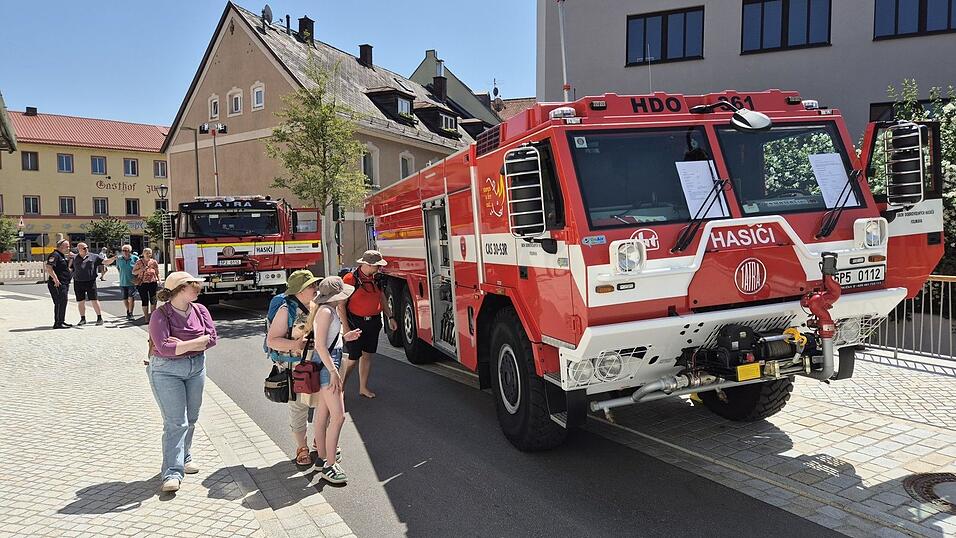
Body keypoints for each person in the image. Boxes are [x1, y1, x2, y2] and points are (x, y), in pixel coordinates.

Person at [147, 271, 218, 493]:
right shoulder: (160, 315)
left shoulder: (201, 310)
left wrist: (182, 344)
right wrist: (197, 342)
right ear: (178, 289)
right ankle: (172, 472)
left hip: (196, 368)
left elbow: (212, 339)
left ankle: (185, 457)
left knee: (192, 418)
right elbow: (164, 348)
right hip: (167, 372)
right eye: (193, 285)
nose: (198, 288)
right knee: (176, 422)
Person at [265, 270, 323, 466]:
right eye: (311, 286)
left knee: (323, 405)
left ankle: (320, 442)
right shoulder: (285, 310)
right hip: (295, 368)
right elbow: (272, 340)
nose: (315, 288)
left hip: (317, 364)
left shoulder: (316, 306)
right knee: (299, 407)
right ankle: (302, 448)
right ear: (299, 290)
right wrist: (296, 345)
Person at [309, 276, 361, 484]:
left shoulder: (326, 310)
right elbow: (320, 346)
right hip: (327, 367)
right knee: (338, 417)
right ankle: (330, 464)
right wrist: (332, 371)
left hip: (327, 365)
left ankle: (323, 458)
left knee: (324, 415)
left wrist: (345, 338)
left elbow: (326, 342)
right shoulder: (326, 312)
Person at [340, 250, 397, 399]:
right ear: (369, 264)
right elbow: (341, 305)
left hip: (373, 322)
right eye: (377, 266)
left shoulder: (376, 278)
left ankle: (363, 387)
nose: (379, 268)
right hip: (355, 323)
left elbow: (382, 298)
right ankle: (339, 388)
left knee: (367, 355)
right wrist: (346, 328)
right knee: (353, 358)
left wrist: (390, 317)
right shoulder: (350, 279)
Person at [70, 242, 116, 326]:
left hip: (90, 281)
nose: (86, 249)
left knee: (94, 300)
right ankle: (82, 319)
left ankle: (99, 318)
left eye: (87, 247)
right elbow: (70, 268)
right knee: (80, 301)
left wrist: (113, 259)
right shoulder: (74, 258)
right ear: (79, 249)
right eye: (84, 248)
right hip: (78, 282)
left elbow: (105, 262)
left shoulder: (94, 256)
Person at [45, 239, 74, 329]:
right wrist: (55, 279)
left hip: (64, 283)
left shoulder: (62, 256)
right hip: (57, 283)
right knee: (59, 302)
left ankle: (61, 321)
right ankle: (57, 323)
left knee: (63, 302)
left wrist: (71, 259)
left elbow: (67, 268)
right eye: (67, 246)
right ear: (61, 246)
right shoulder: (55, 255)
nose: (68, 248)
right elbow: (49, 267)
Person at [133, 248, 161, 323]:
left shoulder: (154, 262)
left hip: (152, 282)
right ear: (143, 254)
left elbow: (157, 272)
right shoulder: (139, 262)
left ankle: (152, 317)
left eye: (150, 253)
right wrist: (141, 269)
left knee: (153, 300)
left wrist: (159, 280)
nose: (148, 254)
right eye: (147, 253)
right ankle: (146, 318)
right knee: (144, 300)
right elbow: (134, 272)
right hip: (142, 283)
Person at [115, 244, 139, 321]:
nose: (125, 252)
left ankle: (131, 313)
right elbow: (118, 269)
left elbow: (139, 269)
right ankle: (128, 311)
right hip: (123, 282)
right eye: (123, 250)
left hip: (132, 282)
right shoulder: (119, 259)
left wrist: (137, 278)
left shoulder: (135, 258)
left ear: (130, 251)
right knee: (125, 299)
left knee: (131, 298)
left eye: (127, 250)